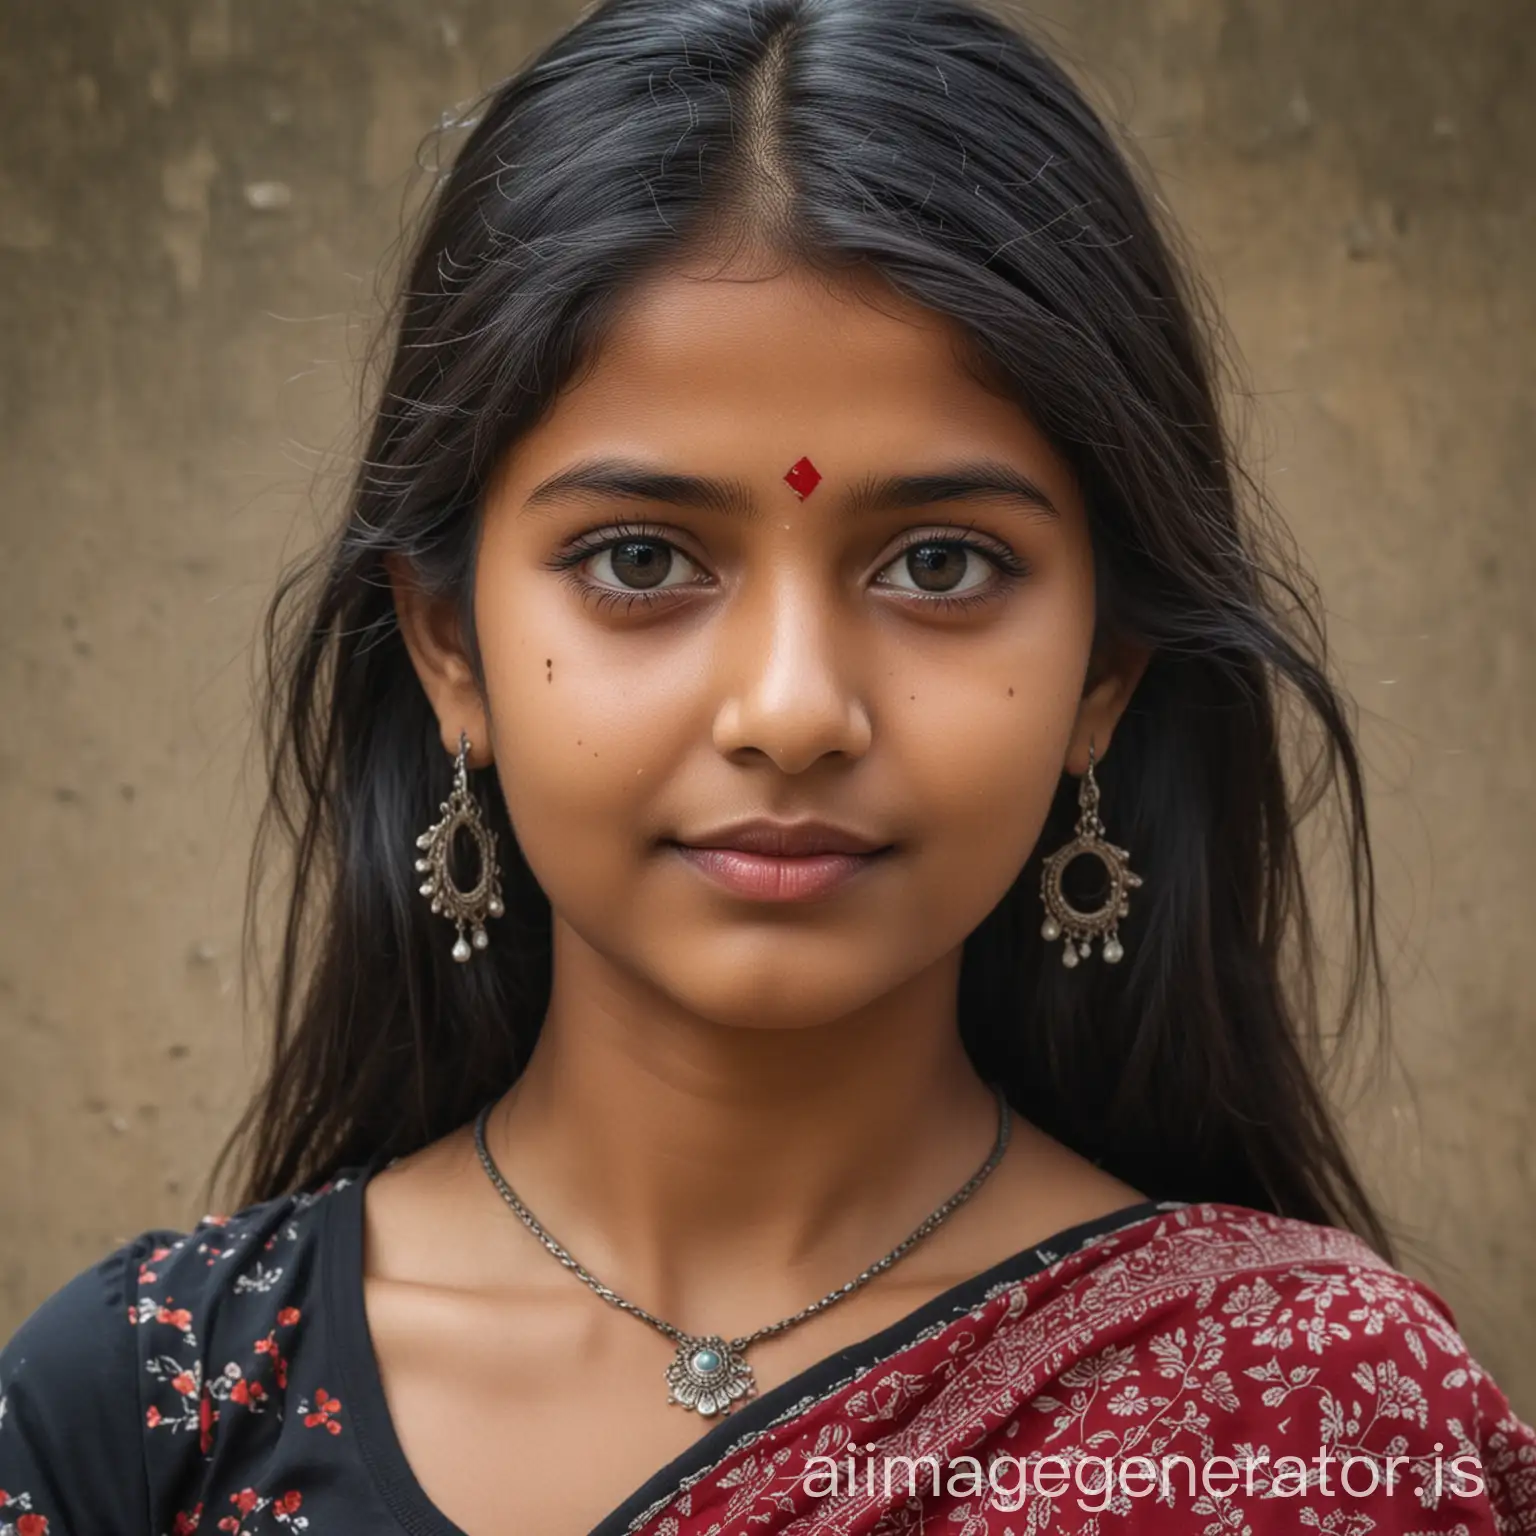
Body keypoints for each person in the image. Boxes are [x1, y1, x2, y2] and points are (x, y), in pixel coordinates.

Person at [2, 0, 1532, 1531]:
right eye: (643, 555)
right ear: (448, 646)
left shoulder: (1301, 1431)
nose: (794, 711)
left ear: (1103, 675)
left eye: (939, 563)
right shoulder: (147, 1419)